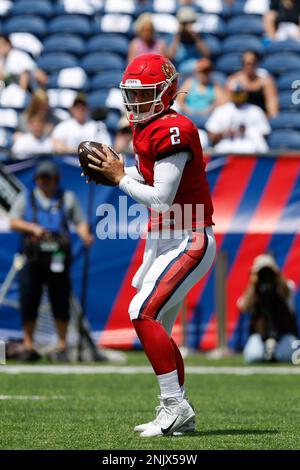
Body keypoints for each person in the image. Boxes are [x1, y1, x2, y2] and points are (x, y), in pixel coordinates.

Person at [82, 54, 216, 437]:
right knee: (155, 321)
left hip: (190, 236)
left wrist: (119, 177)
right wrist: (118, 176)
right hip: (168, 237)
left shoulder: (174, 127)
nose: (134, 102)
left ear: (166, 93)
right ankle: (179, 411)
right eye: (131, 93)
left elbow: (160, 198)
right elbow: (151, 192)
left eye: (143, 93)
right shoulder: (145, 129)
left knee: (141, 311)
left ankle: (175, 405)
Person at [10, 161, 93, 361]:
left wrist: (85, 235)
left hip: (58, 258)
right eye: (42, 178)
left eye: (49, 178)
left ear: (57, 179)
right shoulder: (26, 198)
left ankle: (62, 345)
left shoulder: (67, 198)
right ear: (36, 180)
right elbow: (13, 221)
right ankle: (29, 345)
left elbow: (79, 221)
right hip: (32, 258)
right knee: (30, 300)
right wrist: (33, 229)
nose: (45, 182)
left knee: (60, 300)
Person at [238, 254, 298, 363]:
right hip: (260, 334)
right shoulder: (255, 289)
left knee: (290, 355)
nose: (265, 276)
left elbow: (288, 293)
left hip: (283, 334)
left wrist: (278, 278)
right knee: (253, 356)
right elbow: (243, 306)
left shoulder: (286, 286)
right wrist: (253, 283)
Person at [205, 81, 271, 153]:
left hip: (249, 147)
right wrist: (224, 133)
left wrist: (247, 131)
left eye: (240, 93)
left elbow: (264, 133)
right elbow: (211, 136)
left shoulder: (255, 111)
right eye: (236, 93)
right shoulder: (221, 111)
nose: (238, 96)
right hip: (226, 146)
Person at [227, 50, 279, 118]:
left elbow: (272, 108)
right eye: (244, 63)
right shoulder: (233, 81)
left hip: (260, 120)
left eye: (250, 63)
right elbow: (227, 105)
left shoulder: (266, 81)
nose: (247, 66)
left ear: (257, 63)